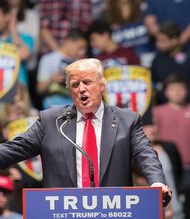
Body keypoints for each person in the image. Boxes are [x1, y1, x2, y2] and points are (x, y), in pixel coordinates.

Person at [0, 58, 172, 205]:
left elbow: (146, 155)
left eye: (87, 82)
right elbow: (14, 149)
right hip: (63, 212)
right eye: (75, 84)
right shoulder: (52, 121)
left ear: (102, 85)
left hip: (113, 210)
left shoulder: (126, 121)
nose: (81, 89)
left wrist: (157, 183)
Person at [153, 73, 190, 218]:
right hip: (168, 167)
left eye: (180, 88)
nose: (177, 92)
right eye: (173, 88)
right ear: (166, 91)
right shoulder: (157, 112)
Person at [36, 28, 87, 109]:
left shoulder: (80, 62)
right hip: (53, 103)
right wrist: (52, 80)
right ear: (69, 42)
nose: (82, 52)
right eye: (80, 47)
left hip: (75, 103)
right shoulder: (48, 59)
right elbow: (39, 89)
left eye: (83, 49)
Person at [151, 21, 190, 104]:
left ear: (175, 40)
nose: (158, 44)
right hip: (164, 107)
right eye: (157, 41)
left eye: (162, 41)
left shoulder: (188, 57)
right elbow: (153, 85)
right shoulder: (158, 60)